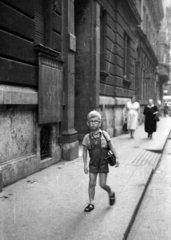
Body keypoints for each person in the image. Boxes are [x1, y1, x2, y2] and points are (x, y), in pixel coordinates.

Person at [82, 110, 119, 212]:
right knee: (91, 183)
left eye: (96, 121)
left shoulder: (104, 134)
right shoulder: (87, 138)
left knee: (102, 184)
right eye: (91, 121)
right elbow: (84, 152)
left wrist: (117, 158)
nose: (93, 123)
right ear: (88, 123)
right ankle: (91, 203)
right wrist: (85, 164)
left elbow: (111, 146)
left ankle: (110, 193)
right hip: (93, 164)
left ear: (100, 123)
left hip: (103, 163)